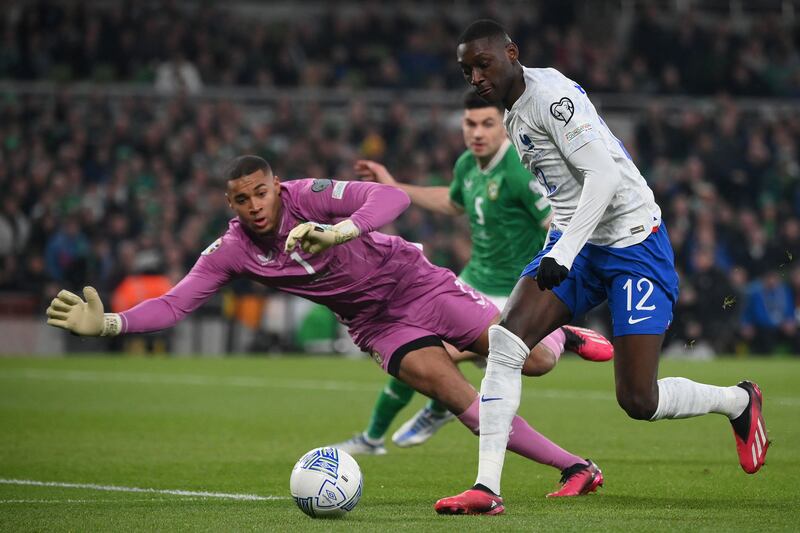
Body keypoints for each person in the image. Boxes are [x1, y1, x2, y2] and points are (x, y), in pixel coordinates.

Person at [47, 155, 603, 498]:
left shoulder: (307, 196)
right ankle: (576, 468)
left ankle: (562, 331)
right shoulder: (233, 250)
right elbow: (175, 303)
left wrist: (340, 231)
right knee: (457, 394)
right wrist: (111, 324)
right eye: (242, 199)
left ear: (275, 186)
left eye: (261, 192)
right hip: (377, 325)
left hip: (416, 283)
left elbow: (390, 196)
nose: (255, 206)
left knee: (534, 360)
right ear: (231, 203)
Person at [435, 20, 769, 516]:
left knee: (638, 400)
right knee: (506, 343)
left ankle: (739, 402)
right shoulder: (514, 112)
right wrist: (563, 244)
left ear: (511, 52)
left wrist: (563, 252)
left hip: (633, 244)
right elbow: (566, 188)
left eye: (483, 64)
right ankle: (486, 489)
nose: (476, 77)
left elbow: (605, 175)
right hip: (577, 242)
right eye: (467, 70)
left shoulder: (551, 97)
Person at [332, 89, 612, 455]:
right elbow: (451, 203)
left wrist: (559, 273)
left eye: (487, 124)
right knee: (411, 346)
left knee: (440, 356)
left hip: (512, 288)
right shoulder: (467, 163)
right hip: (471, 280)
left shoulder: (518, 167)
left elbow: (556, 220)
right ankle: (378, 435)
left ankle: (550, 337)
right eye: (470, 124)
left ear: (505, 128)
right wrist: (394, 186)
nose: (477, 132)